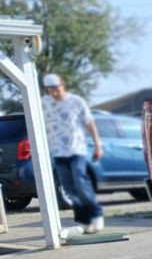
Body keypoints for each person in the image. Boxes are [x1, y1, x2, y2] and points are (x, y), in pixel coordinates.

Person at [40, 73, 104, 237]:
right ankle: (84, 220)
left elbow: (90, 124)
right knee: (69, 188)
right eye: (50, 90)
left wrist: (98, 145)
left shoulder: (76, 101)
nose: (54, 93)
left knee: (80, 182)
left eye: (56, 89)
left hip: (77, 149)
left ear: (63, 85)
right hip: (58, 151)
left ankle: (96, 215)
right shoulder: (44, 103)